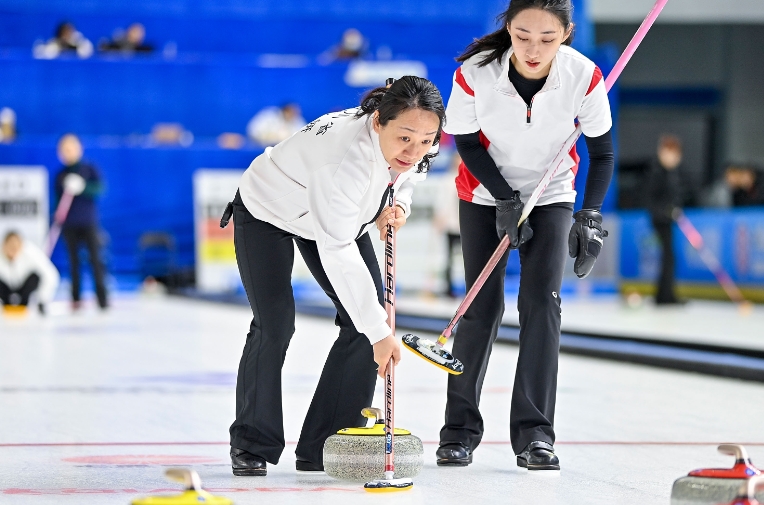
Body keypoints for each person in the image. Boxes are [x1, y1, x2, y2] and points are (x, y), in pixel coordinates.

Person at [226, 76, 444, 477]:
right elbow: (337, 250)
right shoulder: (344, 160)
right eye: (405, 139)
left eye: (426, 140)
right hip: (268, 209)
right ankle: (252, 441)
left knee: (367, 320)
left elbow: (410, 174)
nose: (414, 150)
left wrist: (398, 204)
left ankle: (327, 445)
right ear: (378, 122)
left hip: (334, 218)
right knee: (275, 323)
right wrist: (380, 335)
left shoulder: (416, 137)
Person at [437, 0, 614, 471]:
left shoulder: (584, 76)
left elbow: (602, 153)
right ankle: (459, 432)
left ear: (567, 33)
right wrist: (503, 197)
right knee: (481, 306)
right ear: (508, 28)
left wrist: (589, 214)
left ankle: (535, 435)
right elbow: (466, 142)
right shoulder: (475, 72)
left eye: (547, 39)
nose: (534, 50)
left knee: (542, 303)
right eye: (523, 36)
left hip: (551, 192)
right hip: (483, 192)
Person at [54, 134, 109, 310]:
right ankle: (76, 298)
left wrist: (84, 187)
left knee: (95, 260)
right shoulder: (61, 175)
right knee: (73, 263)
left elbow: (100, 188)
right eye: (65, 149)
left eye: (71, 148)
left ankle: (102, 299)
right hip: (69, 225)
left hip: (88, 222)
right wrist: (57, 215)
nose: (69, 152)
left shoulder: (89, 169)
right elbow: (57, 201)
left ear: (79, 148)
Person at [647, 134, 683, 305]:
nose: (672, 157)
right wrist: (666, 211)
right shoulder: (656, 172)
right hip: (660, 220)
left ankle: (665, 295)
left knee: (669, 257)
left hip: (669, 220)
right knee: (668, 256)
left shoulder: (673, 173)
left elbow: (676, 197)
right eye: (669, 152)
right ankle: (664, 296)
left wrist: (676, 210)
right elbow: (650, 200)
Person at [0, 232, 60, 314]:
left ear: (21, 245)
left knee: (35, 277)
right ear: (4, 245)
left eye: (15, 246)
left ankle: (25, 303)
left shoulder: (31, 253)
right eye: (10, 246)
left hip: (25, 288)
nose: (13, 248)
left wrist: (42, 300)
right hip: (5, 290)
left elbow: (50, 274)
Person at [433, 153, 463, 297]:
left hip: (465, 226)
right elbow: (441, 202)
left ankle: (470, 288)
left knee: (468, 259)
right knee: (448, 258)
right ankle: (448, 288)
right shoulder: (447, 180)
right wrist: (439, 218)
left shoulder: (470, 179)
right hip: (450, 225)